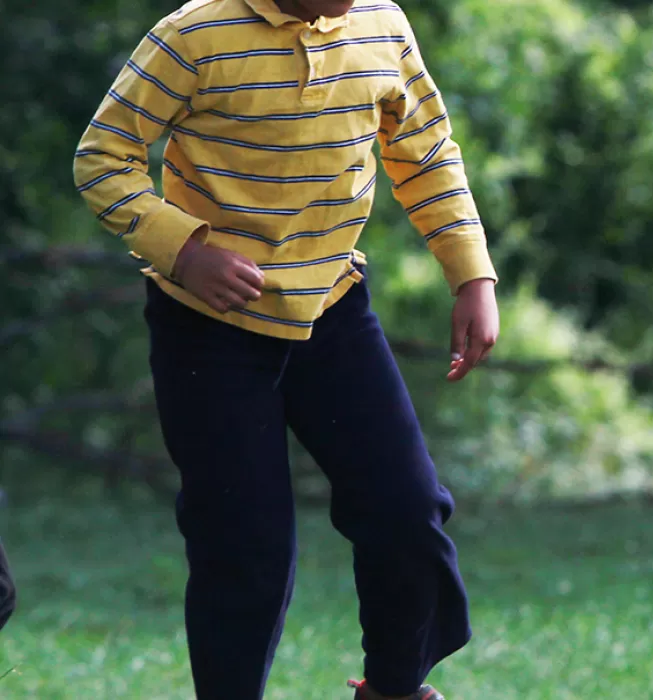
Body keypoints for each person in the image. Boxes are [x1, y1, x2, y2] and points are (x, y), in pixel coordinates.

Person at [71, 0, 499, 697]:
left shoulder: (382, 26)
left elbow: (424, 153)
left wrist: (471, 273)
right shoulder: (194, 34)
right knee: (244, 550)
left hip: (332, 312)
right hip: (207, 328)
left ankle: (394, 688)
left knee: (407, 514)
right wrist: (184, 249)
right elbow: (103, 156)